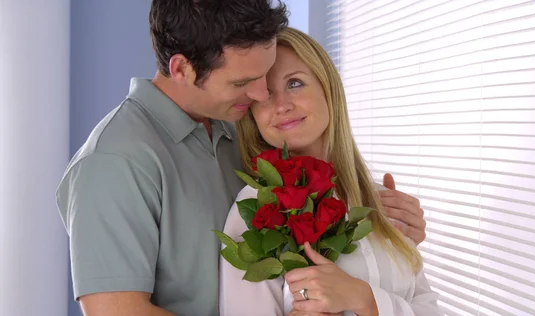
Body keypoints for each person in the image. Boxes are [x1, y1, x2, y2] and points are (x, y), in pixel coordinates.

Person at [56, 1, 426, 315]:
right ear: (182, 69)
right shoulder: (112, 162)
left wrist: (384, 231)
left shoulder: (240, 125)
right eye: (242, 82)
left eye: (264, 75)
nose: (262, 94)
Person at [219, 27, 441, 316]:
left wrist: (366, 300)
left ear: (328, 87)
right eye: (264, 95)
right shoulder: (255, 209)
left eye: (295, 83)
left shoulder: (385, 203)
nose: (282, 105)